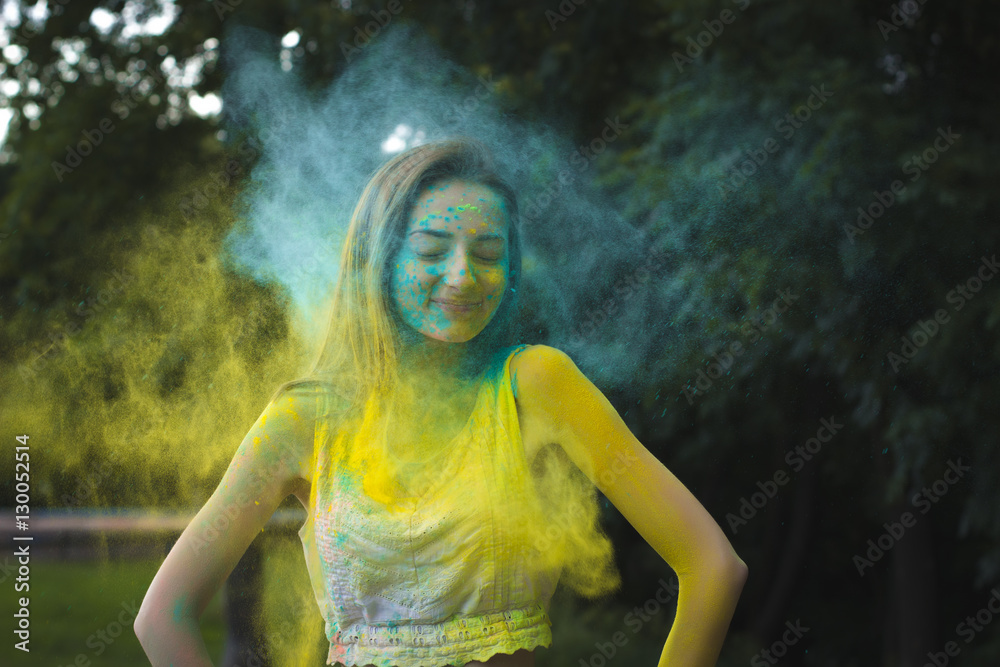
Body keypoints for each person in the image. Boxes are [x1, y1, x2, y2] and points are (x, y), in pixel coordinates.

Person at [135, 137, 748, 667]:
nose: (461, 276)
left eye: (487, 254)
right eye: (430, 251)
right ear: (378, 260)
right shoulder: (307, 419)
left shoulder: (536, 384)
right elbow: (163, 616)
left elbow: (712, 566)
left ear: (510, 269)